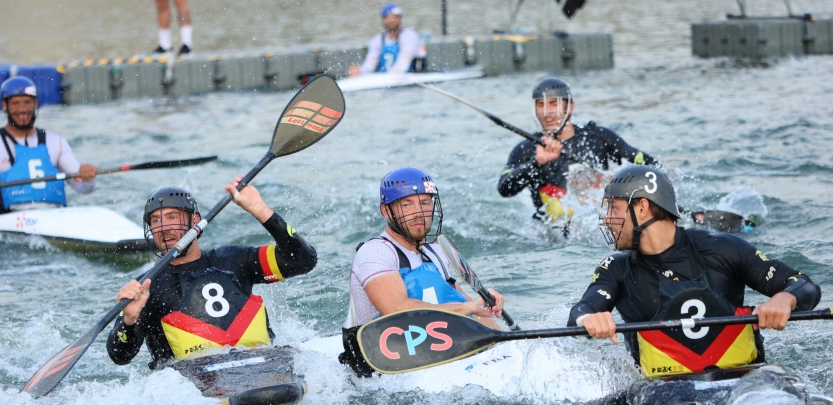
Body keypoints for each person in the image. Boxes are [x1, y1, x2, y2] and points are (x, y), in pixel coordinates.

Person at [568, 165, 821, 377]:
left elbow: (803, 284)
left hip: (743, 383)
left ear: (642, 208)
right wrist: (589, 319)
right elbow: (582, 311)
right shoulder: (616, 269)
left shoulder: (722, 249)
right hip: (665, 399)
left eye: (614, 208)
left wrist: (785, 299)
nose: (607, 219)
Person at [107, 179, 317, 370]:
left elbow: (302, 260)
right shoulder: (146, 287)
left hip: (259, 365)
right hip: (194, 383)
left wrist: (260, 210)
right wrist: (129, 320)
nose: (163, 227)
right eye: (155, 220)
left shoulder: (235, 259)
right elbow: (120, 355)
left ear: (195, 221)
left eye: (172, 217)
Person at [338, 166, 506, 376]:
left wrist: (498, 333)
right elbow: (396, 308)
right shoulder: (375, 252)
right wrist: (469, 308)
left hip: (438, 354)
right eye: (407, 205)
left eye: (425, 203)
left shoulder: (437, 250)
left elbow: (465, 307)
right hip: (385, 366)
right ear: (386, 211)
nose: (419, 212)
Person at [498, 77, 657, 224]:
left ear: (570, 106)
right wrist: (536, 163)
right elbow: (504, 189)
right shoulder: (526, 149)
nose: (547, 112)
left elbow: (649, 164)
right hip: (551, 232)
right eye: (541, 105)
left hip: (597, 224)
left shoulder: (598, 137)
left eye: (554, 103)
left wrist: (618, 180)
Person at [0, 76, 97, 216]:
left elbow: (84, 189)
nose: (23, 109)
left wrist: (87, 177)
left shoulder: (56, 142)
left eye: (27, 102)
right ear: (5, 106)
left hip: (53, 217)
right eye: (16, 103)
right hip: (6, 224)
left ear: (35, 103)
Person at [348, 4, 425, 77]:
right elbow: (370, 64)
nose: (391, 20)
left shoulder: (409, 36)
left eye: (395, 17)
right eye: (387, 17)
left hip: (408, 79)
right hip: (385, 82)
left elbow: (404, 62)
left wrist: (390, 77)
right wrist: (360, 72)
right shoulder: (377, 40)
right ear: (383, 19)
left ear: (400, 18)